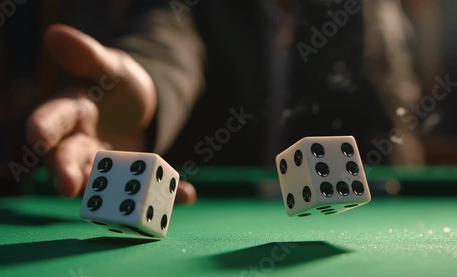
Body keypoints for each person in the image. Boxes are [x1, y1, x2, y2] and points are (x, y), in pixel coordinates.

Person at [24, 0, 429, 203]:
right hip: (197, 204)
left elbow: (390, 122)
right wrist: (146, 94)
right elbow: (165, 44)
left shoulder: (368, 13)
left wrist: (397, 187)